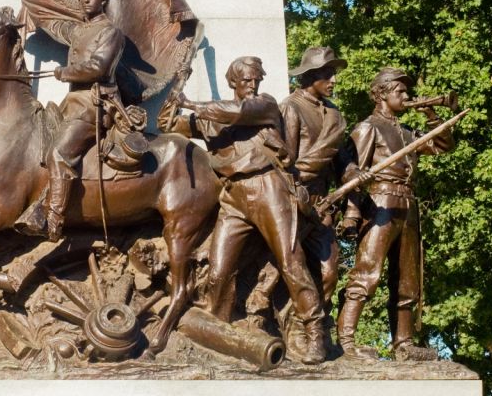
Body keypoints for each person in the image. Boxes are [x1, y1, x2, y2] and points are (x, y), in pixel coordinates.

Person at [159, 56, 328, 364]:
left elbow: (238, 112)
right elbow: (167, 125)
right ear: (232, 82)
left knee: (291, 261)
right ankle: (220, 331)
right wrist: (173, 95)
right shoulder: (211, 118)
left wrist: (192, 102)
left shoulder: (264, 105)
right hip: (233, 196)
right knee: (219, 269)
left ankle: (316, 331)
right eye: (247, 79)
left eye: (256, 79)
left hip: (269, 188)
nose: (253, 84)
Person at [336, 67, 455, 360]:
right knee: (367, 272)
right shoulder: (367, 128)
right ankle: (346, 342)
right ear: (381, 94)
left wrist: (431, 113)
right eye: (399, 91)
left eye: (406, 91)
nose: (406, 96)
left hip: (407, 205)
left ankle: (403, 344)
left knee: (408, 280)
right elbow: (353, 175)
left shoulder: (406, 132)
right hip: (380, 202)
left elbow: (444, 145)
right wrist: (351, 214)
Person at [244, 47, 347, 351]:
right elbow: (283, 158)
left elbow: (339, 161)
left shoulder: (334, 114)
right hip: (295, 198)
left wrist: (355, 171)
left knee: (329, 271)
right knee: (286, 267)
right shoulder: (291, 107)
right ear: (312, 77)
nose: (333, 80)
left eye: (333, 74)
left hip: (323, 202)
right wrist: (294, 190)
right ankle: (294, 328)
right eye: (327, 74)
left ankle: (316, 327)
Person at [17, 0, 124, 242]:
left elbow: (99, 67)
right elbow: (55, 25)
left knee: (59, 153)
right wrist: (29, 3)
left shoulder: (110, 32)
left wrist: (65, 72)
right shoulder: (79, 31)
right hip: (71, 103)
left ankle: (53, 220)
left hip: (93, 105)